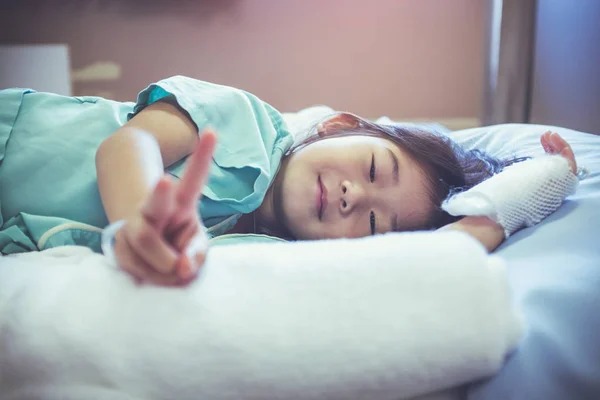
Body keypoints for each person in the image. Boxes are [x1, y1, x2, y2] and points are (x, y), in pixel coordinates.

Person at [0, 76, 579, 286]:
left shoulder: (273, 256)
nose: (357, 196)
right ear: (339, 126)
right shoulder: (248, 123)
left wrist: (534, 187)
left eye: (375, 226)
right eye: (375, 168)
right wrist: (138, 217)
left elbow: (439, 258)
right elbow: (130, 144)